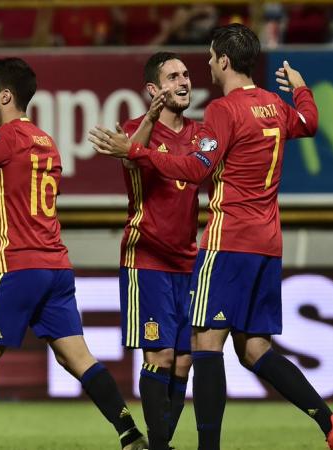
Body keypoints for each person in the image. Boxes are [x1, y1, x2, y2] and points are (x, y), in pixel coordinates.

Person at [90, 23, 333, 450]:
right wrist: (302, 87)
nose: (206, 66)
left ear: (225, 61)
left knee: (204, 344)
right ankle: (331, 423)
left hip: (227, 240)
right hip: (269, 245)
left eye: (211, 57)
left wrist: (138, 152)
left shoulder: (221, 110)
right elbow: (308, 122)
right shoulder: (274, 104)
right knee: (255, 349)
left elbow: (196, 169)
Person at [0, 57, 148, 450]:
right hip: (56, 267)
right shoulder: (46, 141)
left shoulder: (7, 137)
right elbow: (34, 204)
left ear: (6, 95)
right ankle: (129, 433)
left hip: (18, 266)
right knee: (77, 358)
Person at [119, 52, 199, 450]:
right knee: (161, 355)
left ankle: (159, 445)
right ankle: (160, 446)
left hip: (189, 260)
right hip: (147, 258)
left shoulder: (201, 134)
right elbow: (129, 157)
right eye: (173, 76)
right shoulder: (136, 129)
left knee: (184, 360)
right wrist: (150, 119)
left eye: (186, 74)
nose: (185, 80)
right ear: (154, 89)